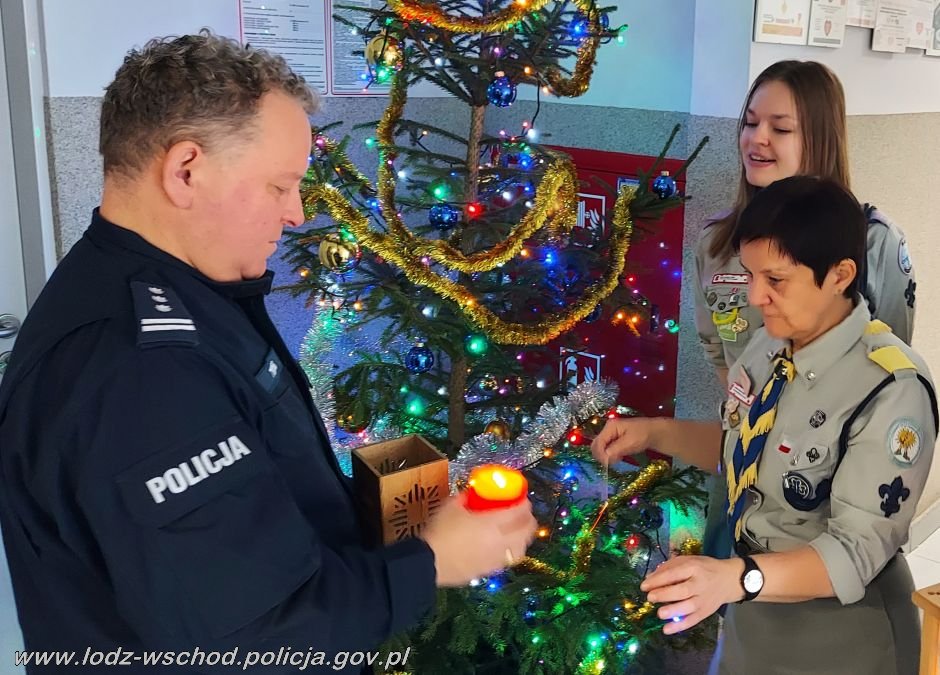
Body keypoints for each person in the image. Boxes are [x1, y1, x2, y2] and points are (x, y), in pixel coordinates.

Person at [0, 31, 536, 673]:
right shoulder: (138, 370)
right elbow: (255, 641)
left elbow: (238, 527)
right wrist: (430, 563)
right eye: (281, 186)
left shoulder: (174, 291)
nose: (297, 213)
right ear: (186, 170)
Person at [593, 176, 936, 675]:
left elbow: (854, 552)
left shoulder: (890, 387)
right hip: (753, 610)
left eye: (775, 280)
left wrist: (735, 579)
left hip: (842, 634)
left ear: (840, 275)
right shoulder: (769, 346)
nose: (756, 296)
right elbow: (746, 450)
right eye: (750, 274)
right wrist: (655, 433)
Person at [694, 60, 916, 559]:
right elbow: (717, 347)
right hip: (743, 477)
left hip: (825, 497)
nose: (757, 139)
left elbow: (890, 375)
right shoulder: (718, 242)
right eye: (750, 122)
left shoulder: (872, 241)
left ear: (820, 138)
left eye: (780, 128)